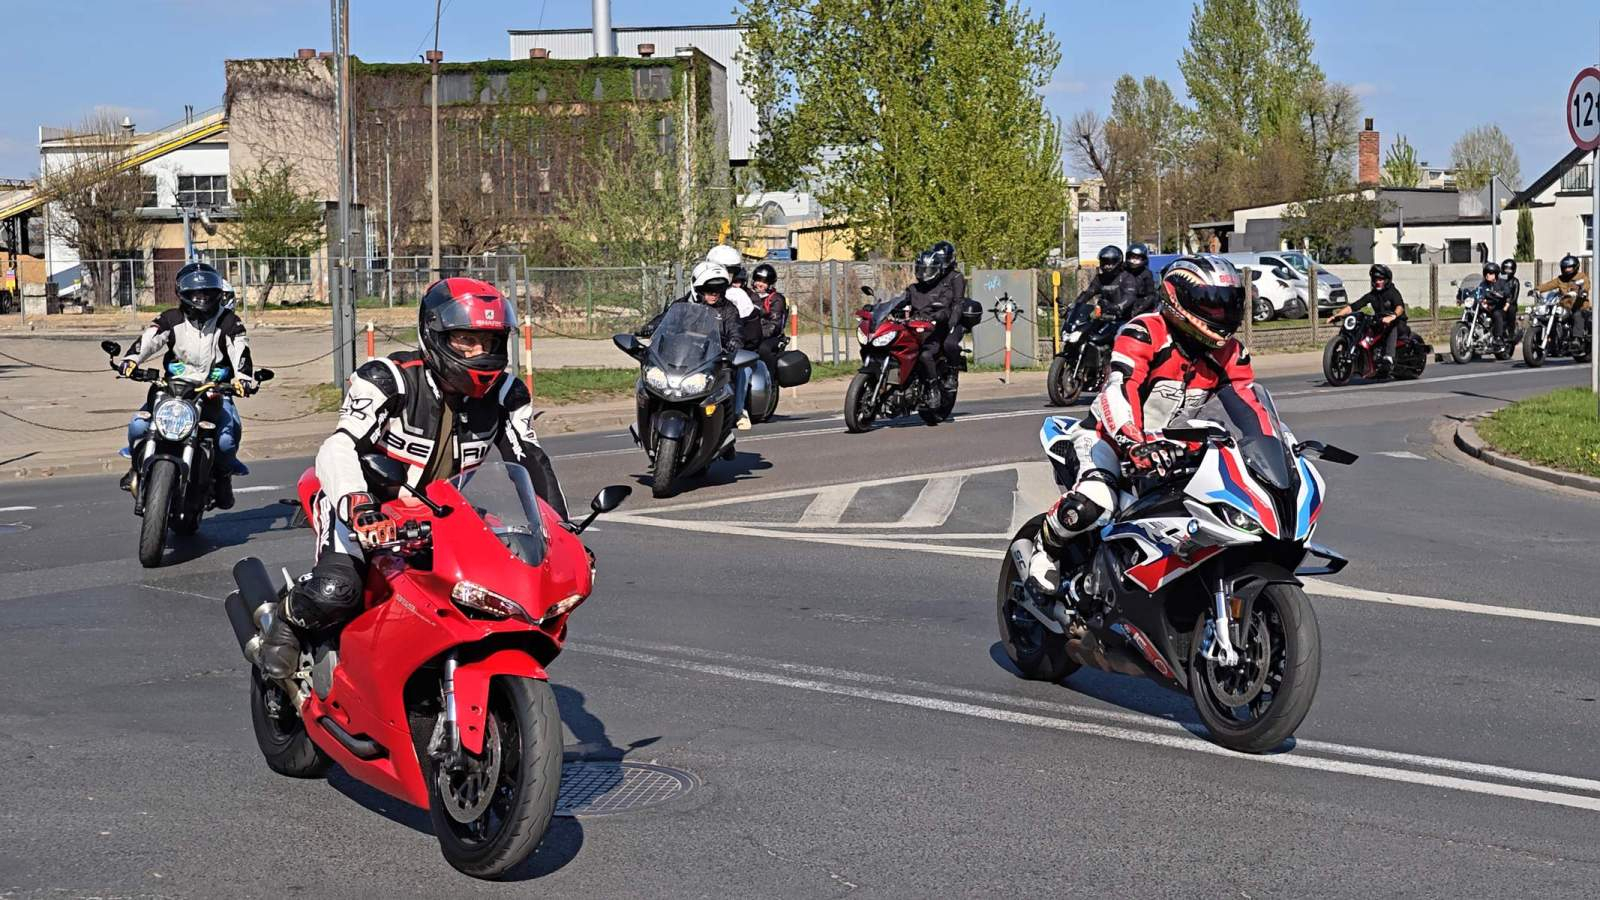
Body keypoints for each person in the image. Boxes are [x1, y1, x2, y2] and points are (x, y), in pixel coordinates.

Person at [256, 277, 569, 679]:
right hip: (363, 507)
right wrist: (358, 506)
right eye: (466, 340)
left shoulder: (508, 394)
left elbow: (531, 460)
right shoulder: (388, 379)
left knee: (499, 589)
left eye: (489, 342)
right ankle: (285, 623)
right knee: (338, 591)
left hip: (441, 513)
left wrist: (560, 532)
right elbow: (338, 447)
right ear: (434, 335)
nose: (480, 353)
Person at [1027, 255, 1254, 595]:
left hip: (1174, 452)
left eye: (1228, 303)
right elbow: (1119, 387)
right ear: (1180, 300)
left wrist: (1272, 445)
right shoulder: (1145, 332)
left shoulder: (1231, 353)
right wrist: (1133, 440)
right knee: (1095, 500)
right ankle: (1046, 549)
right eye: (1213, 303)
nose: (1222, 313)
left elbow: (1249, 404)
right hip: (1108, 440)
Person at [115, 262, 254, 510]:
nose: (202, 298)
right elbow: (150, 339)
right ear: (183, 293)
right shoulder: (171, 318)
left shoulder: (229, 322)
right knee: (138, 425)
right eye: (196, 293)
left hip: (214, 390)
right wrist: (131, 360)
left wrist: (243, 378)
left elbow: (240, 350)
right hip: (173, 389)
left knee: (226, 439)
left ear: (217, 293)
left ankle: (223, 478)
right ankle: (135, 468)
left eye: (207, 292)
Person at [640, 261, 753, 429]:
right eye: (709, 290)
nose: (714, 294)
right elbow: (665, 319)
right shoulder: (683, 305)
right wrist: (650, 327)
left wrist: (734, 342)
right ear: (698, 289)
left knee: (736, 372)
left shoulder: (729, 310)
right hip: (683, 357)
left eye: (718, 290)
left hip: (712, 358)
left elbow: (735, 330)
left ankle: (737, 413)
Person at [903, 247, 958, 407]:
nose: (924, 273)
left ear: (936, 270)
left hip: (933, 332)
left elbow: (947, 307)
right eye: (921, 269)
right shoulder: (913, 289)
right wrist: (878, 308)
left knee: (925, 355)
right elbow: (900, 301)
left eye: (928, 270)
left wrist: (939, 315)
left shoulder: (943, 289)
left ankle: (933, 389)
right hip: (913, 330)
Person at [1327, 263, 1407, 369]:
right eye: (1375, 279)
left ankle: (1389, 357)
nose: (1378, 282)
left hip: (1398, 323)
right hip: (1380, 322)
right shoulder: (1372, 295)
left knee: (1391, 326)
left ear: (1387, 280)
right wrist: (1337, 316)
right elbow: (1354, 306)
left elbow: (1400, 307)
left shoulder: (1392, 292)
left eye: (1381, 279)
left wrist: (1393, 316)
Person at [927, 241, 970, 372]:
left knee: (949, 344)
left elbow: (958, 302)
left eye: (943, 259)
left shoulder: (956, 277)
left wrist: (952, 323)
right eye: (937, 259)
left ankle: (952, 371)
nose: (940, 262)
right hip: (932, 318)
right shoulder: (931, 276)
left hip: (950, 319)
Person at [1073, 245, 1141, 324]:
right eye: (1104, 262)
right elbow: (1088, 292)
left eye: (1110, 262)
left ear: (1118, 261)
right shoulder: (1100, 278)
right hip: (1105, 318)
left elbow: (1130, 296)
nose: (1107, 265)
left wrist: (1117, 307)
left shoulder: (1127, 277)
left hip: (1125, 320)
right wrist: (1074, 306)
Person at [1535, 254, 1591, 346]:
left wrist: (1583, 291)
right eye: (1565, 267)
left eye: (1569, 267)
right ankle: (1554, 340)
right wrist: (1537, 289)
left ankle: (1577, 338)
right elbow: (1549, 285)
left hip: (1579, 305)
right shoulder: (1560, 279)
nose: (1567, 269)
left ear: (1575, 267)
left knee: (1577, 315)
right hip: (1564, 306)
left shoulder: (1581, 276)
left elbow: (1586, 284)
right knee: (1551, 316)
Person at [749, 262, 789, 378]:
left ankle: (769, 378)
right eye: (758, 280)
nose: (760, 284)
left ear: (770, 284)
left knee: (764, 349)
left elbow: (774, 325)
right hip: (750, 335)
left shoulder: (776, 299)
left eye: (764, 282)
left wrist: (757, 335)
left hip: (770, 336)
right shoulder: (748, 296)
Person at [1475, 261, 1513, 347]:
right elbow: (1478, 292)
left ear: (1495, 274)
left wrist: (1501, 294)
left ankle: (1498, 337)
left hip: (1499, 307)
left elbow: (1507, 293)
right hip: (1487, 307)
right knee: (1473, 311)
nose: (1488, 275)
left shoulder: (1502, 283)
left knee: (1497, 314)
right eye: (1486, 273)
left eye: (1490, 273)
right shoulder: (1483, 284)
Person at [1124, 243, 1160, 317]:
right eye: (1132, 257)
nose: (1134, 260)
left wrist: (1139, 309)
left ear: (1143, 259)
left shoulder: (1147, 273)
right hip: (1124, 306)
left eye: (1137, 258)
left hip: (1141, 307)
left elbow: (1151, 295)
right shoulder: (1123, 271)